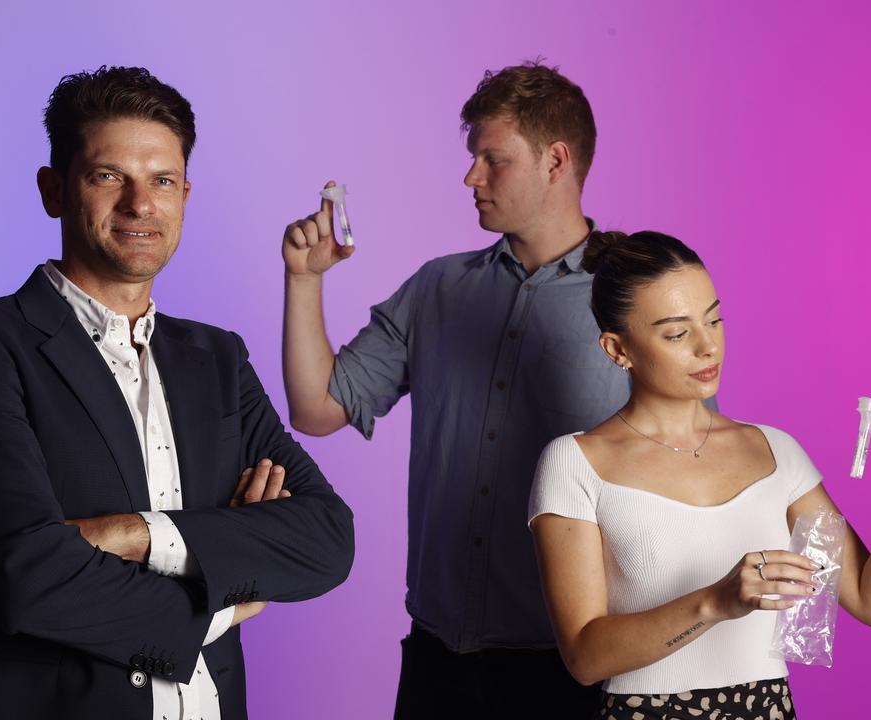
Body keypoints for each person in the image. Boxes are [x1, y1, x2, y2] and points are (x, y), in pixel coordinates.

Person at [0, 66, 354, 720]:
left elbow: (326, 537)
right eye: (108, 176)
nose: (141, 205)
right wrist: (222, 595)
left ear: (184, 194)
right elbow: (23, 578)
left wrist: (133, 534)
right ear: (54, 189)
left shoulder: (217, 358)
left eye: (163, 181)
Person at [280, 62, 675, 717]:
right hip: (438, 661)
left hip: (575, 672)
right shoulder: (437, 289)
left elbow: (690, 475)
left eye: (493, 159)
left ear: (555, 161)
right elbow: (318, 408)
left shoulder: (637, 298)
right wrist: (303, 280)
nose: (472, 177)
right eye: (473, 159)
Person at [528, 230, 871, 719]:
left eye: (715, 319)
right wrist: (715, 601)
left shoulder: (776, 451)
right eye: (677, 333)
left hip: (767, 709)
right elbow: (584, 658)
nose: (708, 346)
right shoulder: (575, 462)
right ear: (617, 348)